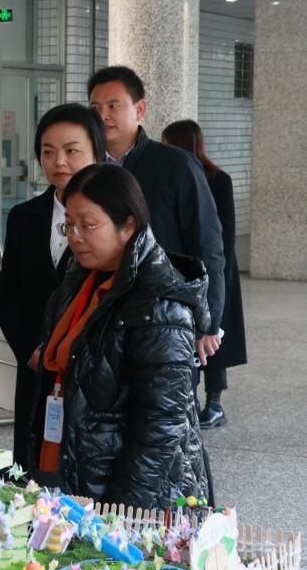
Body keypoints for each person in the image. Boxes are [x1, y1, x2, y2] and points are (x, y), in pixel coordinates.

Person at [31, 164, 210, 508]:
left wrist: (118, 514)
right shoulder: (80, 278)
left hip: (126, 496)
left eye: (88, 225)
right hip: (74, 467)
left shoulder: (158, 303)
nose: (75, 237)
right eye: (68, 224)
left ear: (127, 225)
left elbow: (160, 428)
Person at [88, 66, 225, 368]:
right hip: (100, 313)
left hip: (164, 316)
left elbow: (207, 244)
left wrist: (209, 321)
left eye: (113, 106)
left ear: (139, 109)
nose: (103, 115)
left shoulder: (176, 165)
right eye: (95, 108)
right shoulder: (88, 168)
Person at [0, 104, 106, 469]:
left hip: (93, 377)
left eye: (72, 150)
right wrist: (32, 350)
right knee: (31, 469)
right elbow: (7, 295)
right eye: (48, 151)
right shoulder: (24, 217)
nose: (59, 161)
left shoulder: (116, 221)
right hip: (36, 370)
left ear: (96, 153)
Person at [162, 119, 247, 428]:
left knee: (214, 335)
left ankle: (214, 403)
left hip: (217, 269)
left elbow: (225, 233)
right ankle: (191, 401)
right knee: (188, 336)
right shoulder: (171, 178)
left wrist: (218, 276)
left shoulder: (218, 179)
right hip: (185, 269)